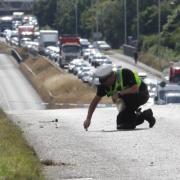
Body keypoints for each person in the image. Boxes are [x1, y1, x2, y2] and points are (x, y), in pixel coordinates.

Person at [83, 64, 156, 130]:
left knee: (126, 101)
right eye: (101, 81)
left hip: (141, 95)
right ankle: (145, 115)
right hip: (127, 101)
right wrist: (88, 119)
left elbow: (135, 89)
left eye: (105, 80)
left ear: (111, 76)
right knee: (121, 124)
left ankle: (136, 116)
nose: (103, 83)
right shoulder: (104, 85)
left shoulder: (125, 73)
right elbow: (94, 102)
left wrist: (119, 94)